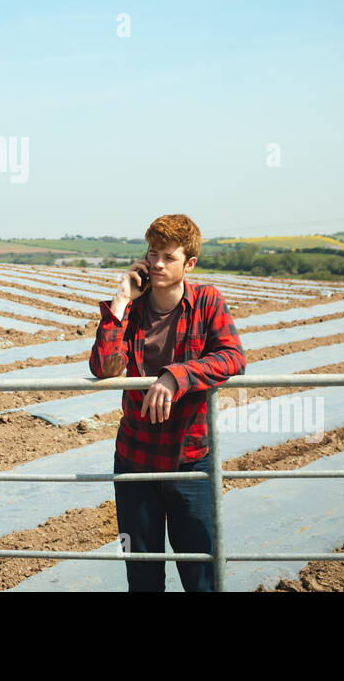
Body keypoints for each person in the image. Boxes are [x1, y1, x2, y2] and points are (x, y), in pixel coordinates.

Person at [88, 213, 246, 591]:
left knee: (200, 572)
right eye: (153, 253)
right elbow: (104, 366)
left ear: (189, 263)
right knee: (142, 574)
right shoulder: (134, 312)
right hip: (135, 462)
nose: (157, 263)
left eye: (168, 257)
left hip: (190, 461)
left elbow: (233, 357)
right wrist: (122, 300)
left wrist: (178, 375)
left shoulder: (207, 302)